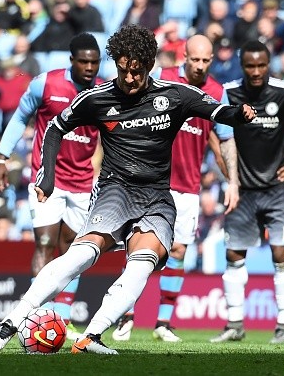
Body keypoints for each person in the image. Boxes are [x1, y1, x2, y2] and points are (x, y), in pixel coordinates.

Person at [0, 24, 255, 355]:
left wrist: (239, 114)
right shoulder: (97, 98)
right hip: (115, 191)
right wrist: (47, 173)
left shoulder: (175, 96)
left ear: (149, 65)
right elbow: (55, 128)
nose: (129, 79)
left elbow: (219, 113)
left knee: (143, 263)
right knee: (81, 254)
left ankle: (90, 337)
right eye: (123, 70)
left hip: (157, 197)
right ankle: (11, 322)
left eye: (136, 72)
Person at [111, 34, 239, 343]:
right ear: (184, 56)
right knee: (140, 249)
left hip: (188, 187)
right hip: (152, 181)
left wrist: (232, 181)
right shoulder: (162, 79)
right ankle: (126, 314)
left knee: (179, 251)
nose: (199, 65)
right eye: (194, 59)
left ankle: (163, 324)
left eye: (206, 60)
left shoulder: (216, 92)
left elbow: (224, 139)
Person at [210, 40, 284, 345]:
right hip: (244, 193)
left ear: (268, 63)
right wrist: (230, 177)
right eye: (250, 66)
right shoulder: (229, 93)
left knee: (280, 254)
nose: (256, 71)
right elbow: (216, 133)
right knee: (234, 256)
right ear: (242, 64)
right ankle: (235, 324)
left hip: (277, 189)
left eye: (261, 65)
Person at [0, 33, 103, 339]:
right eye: (84, 62)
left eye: (95, 62)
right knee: (44, 242)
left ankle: (61, 321)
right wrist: (1, 157)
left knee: (72, 250)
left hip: (82, 183)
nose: (90, 68)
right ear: (72, 61)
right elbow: (19, 118)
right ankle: (35, 317)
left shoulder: (104, 92)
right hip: (46, 178)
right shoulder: (45, 84)